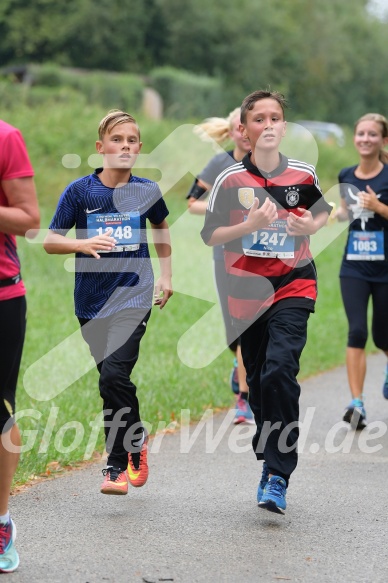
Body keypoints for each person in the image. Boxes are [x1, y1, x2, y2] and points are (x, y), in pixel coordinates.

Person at [201, 89, 331, 515]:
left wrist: (306, 223)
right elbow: (211, 236)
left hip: (294, 286)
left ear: (284, 126)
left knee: (280, 369)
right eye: (260, 119)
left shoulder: (302, 174)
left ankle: (277, 474)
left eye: (276, 117)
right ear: (245, 129)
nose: (269, 124)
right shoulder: (229, 180)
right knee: (258, 383)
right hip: (246, 295)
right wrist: (249, 226)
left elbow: (321, 213)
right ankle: (270, 443)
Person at [43, 110, 172, 495]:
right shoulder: (80, 192)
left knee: (114, 375)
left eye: (132, 140)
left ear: (139, 148)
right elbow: (51, 240)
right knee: (109, 382)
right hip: (90, 303)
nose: (125, 146)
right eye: (117, 140)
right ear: (101, 148)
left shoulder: (147, 190)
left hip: (134, 296)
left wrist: (166, 275)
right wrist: (80, 243)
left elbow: (161, 226)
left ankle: (116, 465)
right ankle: (136, 441)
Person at [186, 108, 254, 424]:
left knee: (249, 323)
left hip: (261, 253)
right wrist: (217, 203)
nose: (244, 130)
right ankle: (238, 364)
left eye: (248, 124)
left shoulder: (268, 162)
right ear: (231, 131)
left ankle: (244, 398)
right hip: (225, 251)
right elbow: (192, 202)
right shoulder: (219, 164)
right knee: (233, 329)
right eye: (238, 126)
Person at [0, 120, 40, 573]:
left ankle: (2, 519)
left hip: (1, 297)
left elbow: (29, 219)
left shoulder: (7, 137)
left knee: (0, 412)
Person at [334, 113, 388, 429]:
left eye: (372, 134)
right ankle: (357, 404)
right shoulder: (345, 175)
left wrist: (378, 207)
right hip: (353, 266)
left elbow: (375, 209)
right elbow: (346, 210)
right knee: (357, 331)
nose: (365, 139)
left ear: (383, 140)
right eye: (361, 134)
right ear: (355, 138)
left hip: (385, 269)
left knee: (383, 335)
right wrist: (338, 214)